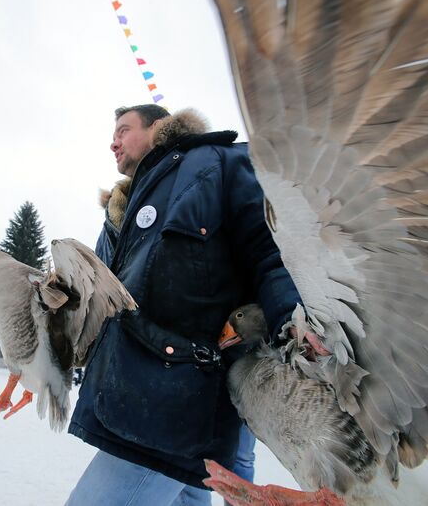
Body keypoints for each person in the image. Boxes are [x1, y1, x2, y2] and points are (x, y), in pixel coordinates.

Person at [65, 105, 300, 505]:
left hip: (181, 400)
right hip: (130, 395)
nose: (113, 141)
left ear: (158, 126)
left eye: (124, 130)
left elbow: (271, 255)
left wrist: (292, 325)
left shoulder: (218, 164)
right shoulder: (120, 213)